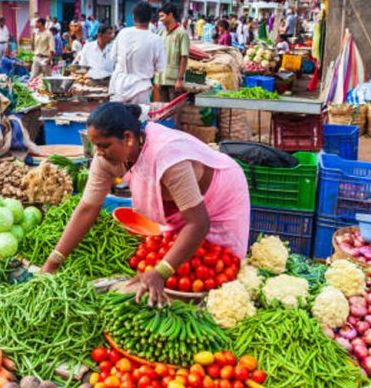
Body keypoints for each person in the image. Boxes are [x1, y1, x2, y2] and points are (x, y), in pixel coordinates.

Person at [40, 102, 250, 306]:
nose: (99, 153)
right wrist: (53, 262)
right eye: (96, 146)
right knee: (183, 263)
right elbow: (87, 209)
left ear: (129, 138)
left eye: (104, 145)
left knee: (219, 269)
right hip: (180, 207)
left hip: (220, 194)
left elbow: (198, 223)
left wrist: (161, 272)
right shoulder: (105, 160)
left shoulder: (167, 155)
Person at [108, 2, 166, 104]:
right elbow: (160, 68)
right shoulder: (156, 40)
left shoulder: (123, 33)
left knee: (117, 119)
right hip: (141, 90)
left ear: (133, 17)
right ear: (150, 18)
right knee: (138, 118)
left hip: (120, 87)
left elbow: (113, 58)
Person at [155, 4, 189, 102]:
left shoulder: (181, 33)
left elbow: (184, 57)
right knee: (163, 108)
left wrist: (180, 79)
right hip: (161, 78)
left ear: (170, 15)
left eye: (162, 16)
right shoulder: (161, 33)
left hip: (174, 79)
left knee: (174, 109)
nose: (160, 19)